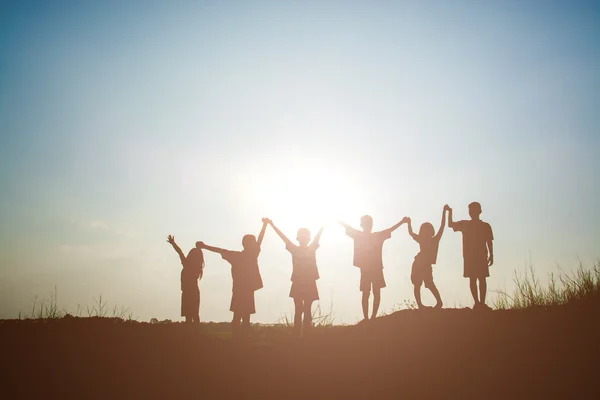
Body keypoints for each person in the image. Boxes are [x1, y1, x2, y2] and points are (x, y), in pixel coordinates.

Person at [198, 219, 269, 337]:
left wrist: (204, 246)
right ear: (248, 244)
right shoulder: (246, 255)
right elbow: (220, 250)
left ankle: (240, 339)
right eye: (253, 242)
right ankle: (238, 339)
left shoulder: (239, 256)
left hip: (243, 290)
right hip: (242, 290)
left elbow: (220, 250)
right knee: (240, 316)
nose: (256, 244)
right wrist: (204, 246)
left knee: (243, 316)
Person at [338, 215, 408, 322]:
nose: (367, 225)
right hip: (370, 268)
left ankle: (371, 317)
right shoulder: (369, 236)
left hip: (372, 268)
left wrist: (402, 222)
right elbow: (347, 226)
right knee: (370, 292)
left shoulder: (367, 235)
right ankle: (369, 317)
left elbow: (347, 227)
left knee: (371, 292)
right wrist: (402, 222)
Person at [265, 218, 324, 337]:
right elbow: (283, 237)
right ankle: (300, 335)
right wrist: (272, 225)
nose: (305, 239)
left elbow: (317, 236)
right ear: (300, 238)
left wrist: (323, 226)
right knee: (302, 309)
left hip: (304, 282)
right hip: (301, 282)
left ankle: (304, 335)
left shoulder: (305, 249)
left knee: (304, 309)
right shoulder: (301, 249)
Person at [448, 202, 494, 310]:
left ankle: (481, 303)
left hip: (481, 256)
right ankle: (477, 303)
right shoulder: (465, 224)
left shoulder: (485, 226)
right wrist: (449, 212)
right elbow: (450, 224)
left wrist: (491, 254)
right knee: (473, 279)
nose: (471, 212)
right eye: (470, 210)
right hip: (469, 257)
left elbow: (489, 241)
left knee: (482, 279)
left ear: (479, 211)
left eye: (473, 210)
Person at [406, 205, 448, 309]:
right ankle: (420, 305)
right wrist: (408, 223)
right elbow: (411, 233)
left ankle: (439, 302)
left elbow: (442, 226)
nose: (425, 233)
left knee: (429, 284)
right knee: (417, 284)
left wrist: (444, 212)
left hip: (425, 265)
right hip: (418, 263)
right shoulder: (422, 239)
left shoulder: (434, 240)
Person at [166, 235, 204, 325]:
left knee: (189, 316)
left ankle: (190, 335)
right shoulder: (197, 268)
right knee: (195, 314)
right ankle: (196, 334)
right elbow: (180, 252)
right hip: (194, 291)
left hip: (188, 292)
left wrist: (173, 243)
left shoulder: (187, 265)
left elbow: (180, 252)